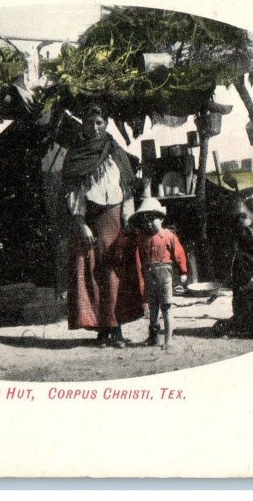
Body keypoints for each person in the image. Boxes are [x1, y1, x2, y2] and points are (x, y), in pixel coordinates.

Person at [62, 103, 143, 349]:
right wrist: (80, 223)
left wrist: (127, 221)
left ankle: (116, 329)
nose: (95, 128)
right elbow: (74, 194)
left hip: (116, 221)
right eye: (90, 123)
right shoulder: (76, 155)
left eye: (100, 123)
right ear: (83, 124)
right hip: (91, 223)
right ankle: (102, 331)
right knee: (93, 276)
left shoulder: (116, 152)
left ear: (106, 124)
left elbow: (127, 191)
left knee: (115, 277)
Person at [129, 198, 188, 348]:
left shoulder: (168, 236)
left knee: (166, 307)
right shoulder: (141, 238)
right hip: (149, 275)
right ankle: (153, 337)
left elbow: (179, 254)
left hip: (164, 276)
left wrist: (183, 271)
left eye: (152, 219)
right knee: (153, 307)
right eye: (145, 221)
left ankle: (168, 339)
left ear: (161, 218)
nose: (148, 224)